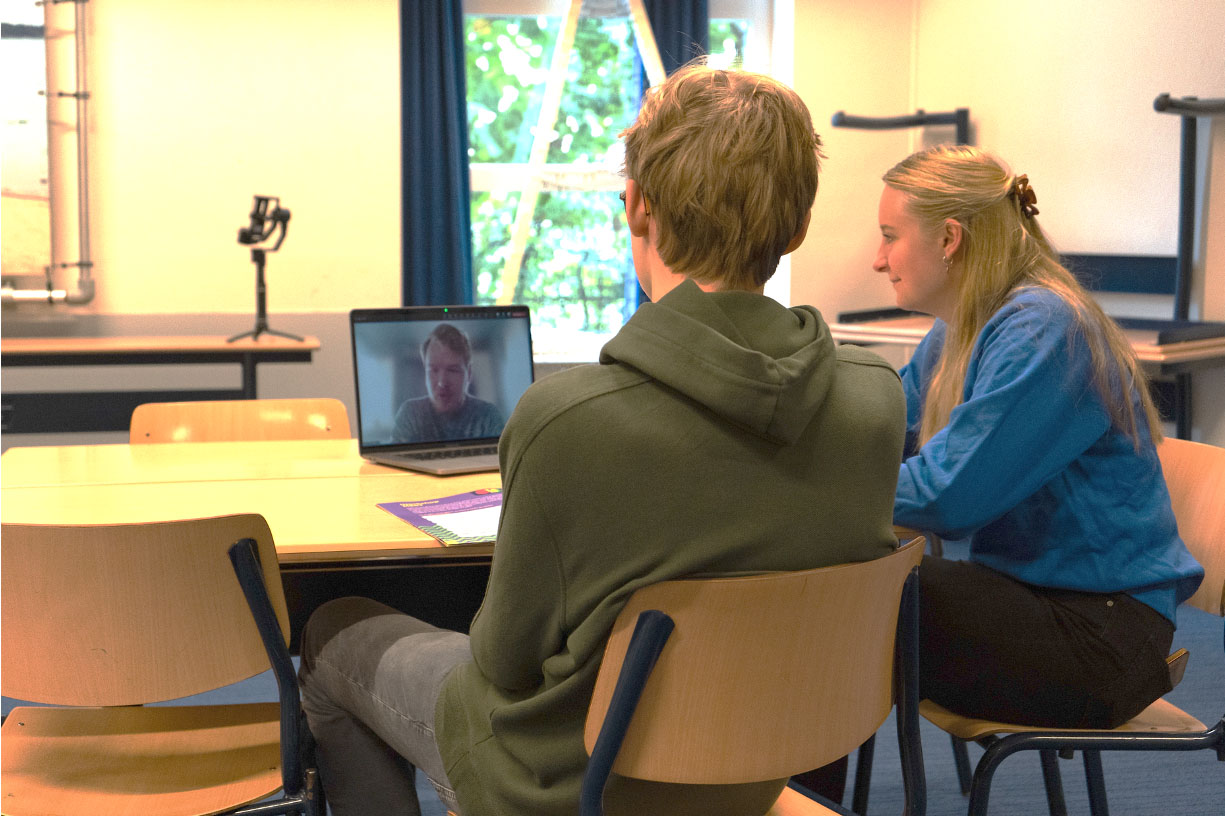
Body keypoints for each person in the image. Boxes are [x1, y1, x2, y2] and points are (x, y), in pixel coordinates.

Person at [298, 62, 906, 816]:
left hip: (569, 783)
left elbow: (504, 659)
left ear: (637, 207)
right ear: (799, 225)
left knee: (331, 632)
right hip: (756, 767)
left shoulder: (567, 421)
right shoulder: (875, 399)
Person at [872, 144, 1204, 728]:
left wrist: (819, 492)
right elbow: (880, 428)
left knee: (852, 592)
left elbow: (949, 498)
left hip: (1101, 635)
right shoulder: (962, 330)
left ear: (949, 238)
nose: (879, 260)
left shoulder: (1046, 328)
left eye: (889, 237)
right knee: (837, 584)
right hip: (1034, 598)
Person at [393, 323, 504, 442]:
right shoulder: (410, 414)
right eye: (434, 370)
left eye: (452, 370)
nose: (442, 382)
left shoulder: (488, 416)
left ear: (469, 374)